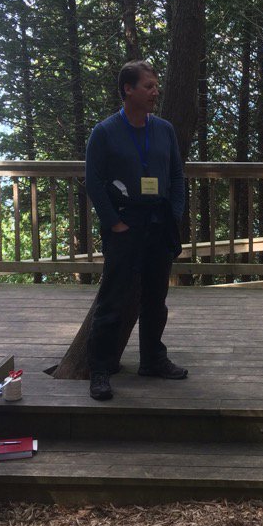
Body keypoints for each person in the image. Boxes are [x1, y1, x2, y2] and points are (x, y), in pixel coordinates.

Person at [84, 60, 187, 401]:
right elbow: (94, 183)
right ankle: (100, 369)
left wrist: (173, 214)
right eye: (148, 86)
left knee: (156, 298)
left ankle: (153, 360)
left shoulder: (164, 130)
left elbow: (176, 176)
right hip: (125, 224)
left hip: (159, 223)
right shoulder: (105, 132)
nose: (155, 91)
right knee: (113, 299)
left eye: (156, 85)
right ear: (128, 89)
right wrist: (115, 222)